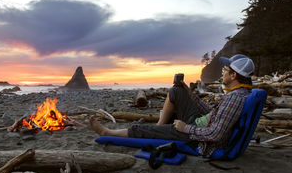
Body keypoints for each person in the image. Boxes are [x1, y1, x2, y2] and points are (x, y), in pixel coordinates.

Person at [90, 54, 255, 157]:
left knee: (144, 130)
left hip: (198, 137)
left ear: (233, 75)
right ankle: (159, 127)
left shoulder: (234, 99)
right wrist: (191, 96)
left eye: (225, 70)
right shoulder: (238, 94)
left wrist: (185, 128)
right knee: (177, 90)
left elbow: (215, 134)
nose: (222, 72)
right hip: (200, 123)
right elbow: (214, 114)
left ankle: (108, 131)